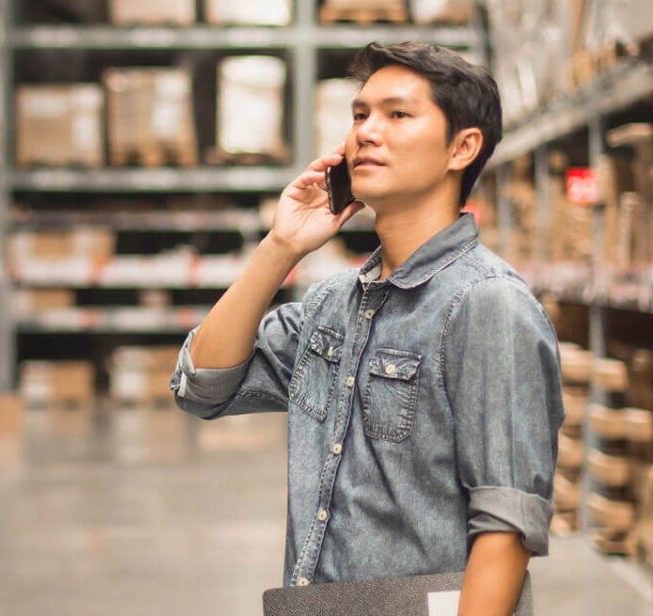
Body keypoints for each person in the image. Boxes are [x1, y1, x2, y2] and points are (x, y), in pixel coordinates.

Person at [171, 41, 564, 615]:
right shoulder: (333, 303)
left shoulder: (489, 305)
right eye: (359, 115)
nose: (365, 133)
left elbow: (506, 527)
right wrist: (281, 246)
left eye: (397, 114)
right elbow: (203, 387)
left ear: (463, 147)